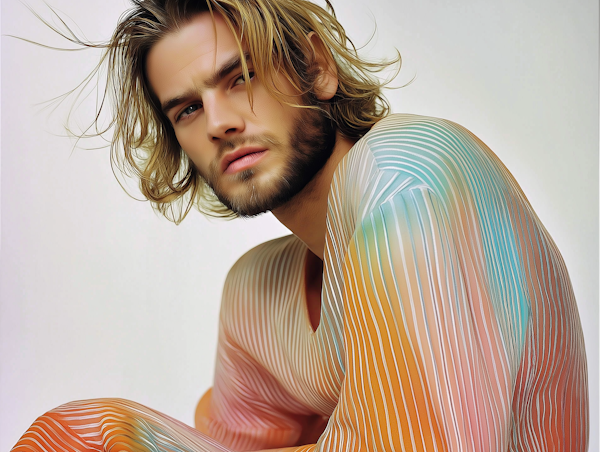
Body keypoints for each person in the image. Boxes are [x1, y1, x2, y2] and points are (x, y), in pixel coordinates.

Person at [11, 0, 589, 451]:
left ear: (316, 69)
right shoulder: (257, 296)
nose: (218, 123)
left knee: (84, 437)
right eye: (187, 109)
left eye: (241, 78)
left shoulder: (406, 180)